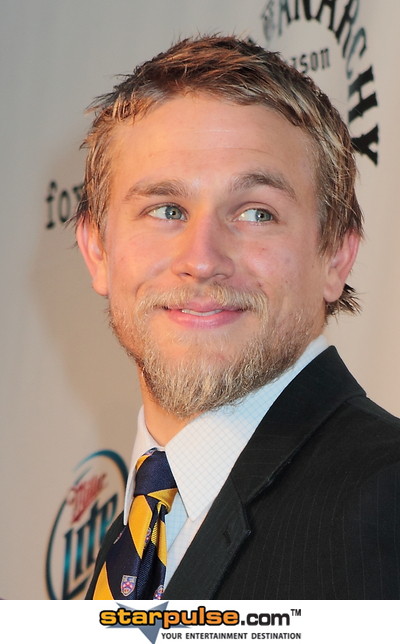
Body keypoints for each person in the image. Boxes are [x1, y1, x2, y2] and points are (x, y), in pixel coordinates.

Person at [75, 35, 400, 600]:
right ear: (97, 251)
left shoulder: (387, 506)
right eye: (166, 209)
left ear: (335, 257)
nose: (202, 259)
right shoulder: (137, 534)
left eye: (256, 213)